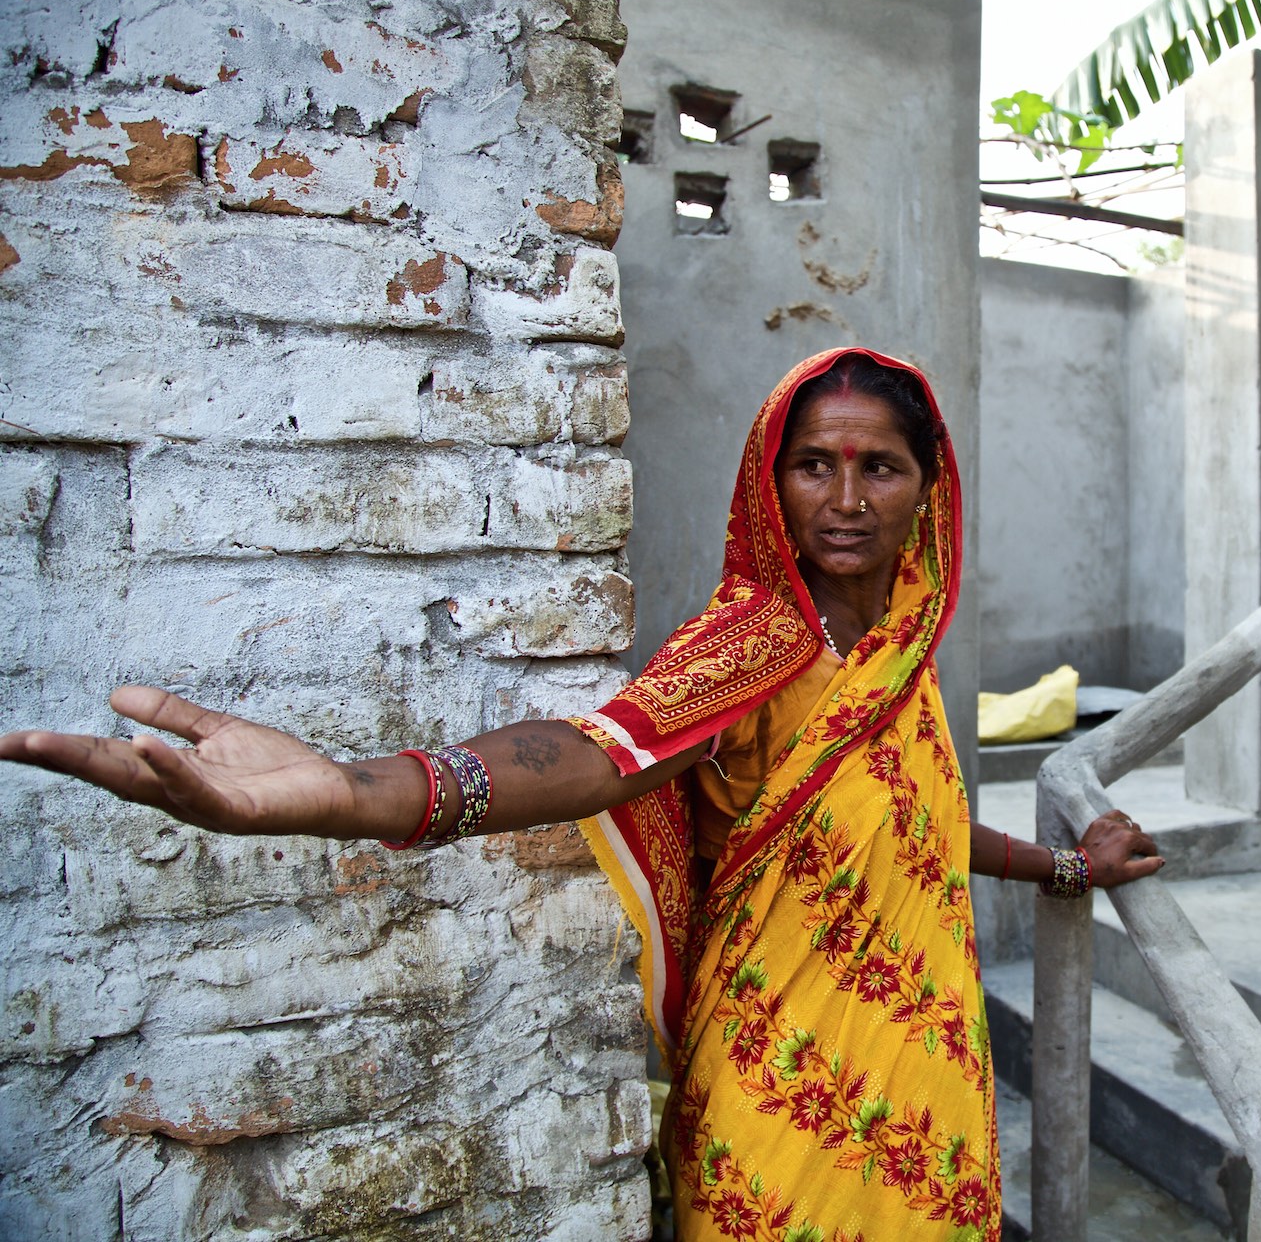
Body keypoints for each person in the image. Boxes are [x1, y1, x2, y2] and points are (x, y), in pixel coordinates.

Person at [1, 345, 1164, 1241]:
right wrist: (339, 795)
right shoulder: (755, 641)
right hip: (784, 1087)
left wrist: (1066, 867)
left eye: (879, 466)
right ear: (775, 483)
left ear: (928, 490)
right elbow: (595, 754)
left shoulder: (898, 649)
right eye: (815, 463)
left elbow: (910, 829)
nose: (847, 496)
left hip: (924, 1073)